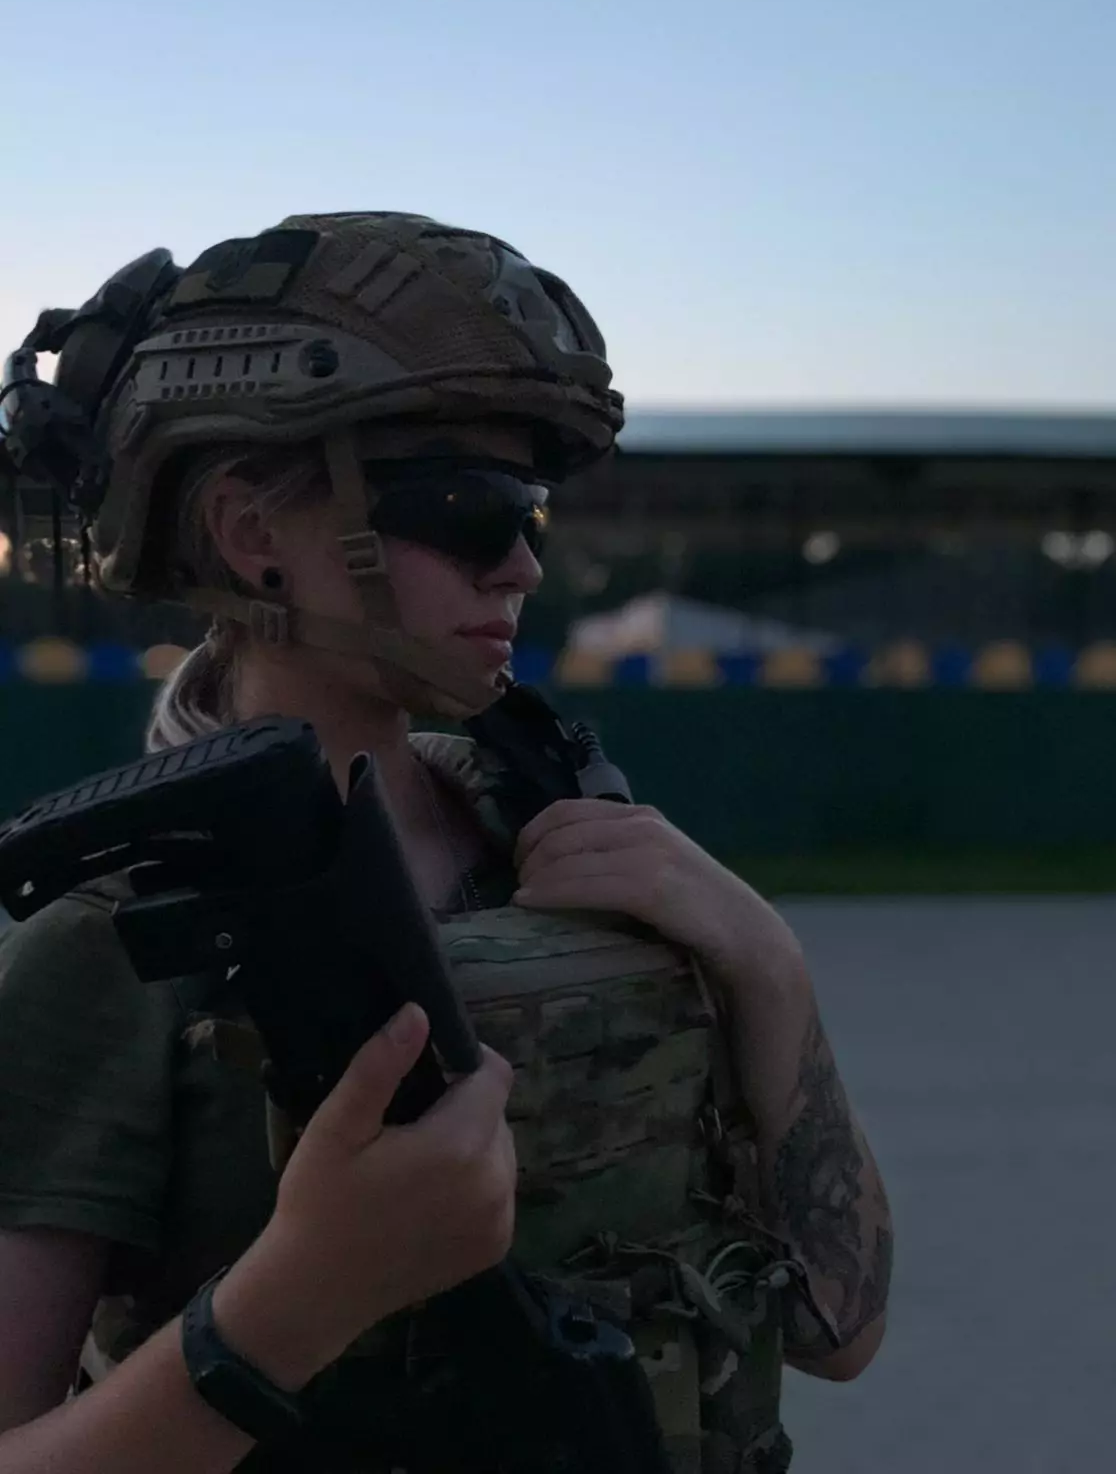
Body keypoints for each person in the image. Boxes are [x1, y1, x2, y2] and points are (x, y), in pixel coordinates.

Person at [0, 212, 893, 1472]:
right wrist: (299, 1295)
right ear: (253, 534)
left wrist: (765, 960)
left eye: (533, 514)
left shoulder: (573, 838)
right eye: (468, 508)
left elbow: (839, 1330)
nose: (520, 566)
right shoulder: (117, 938)